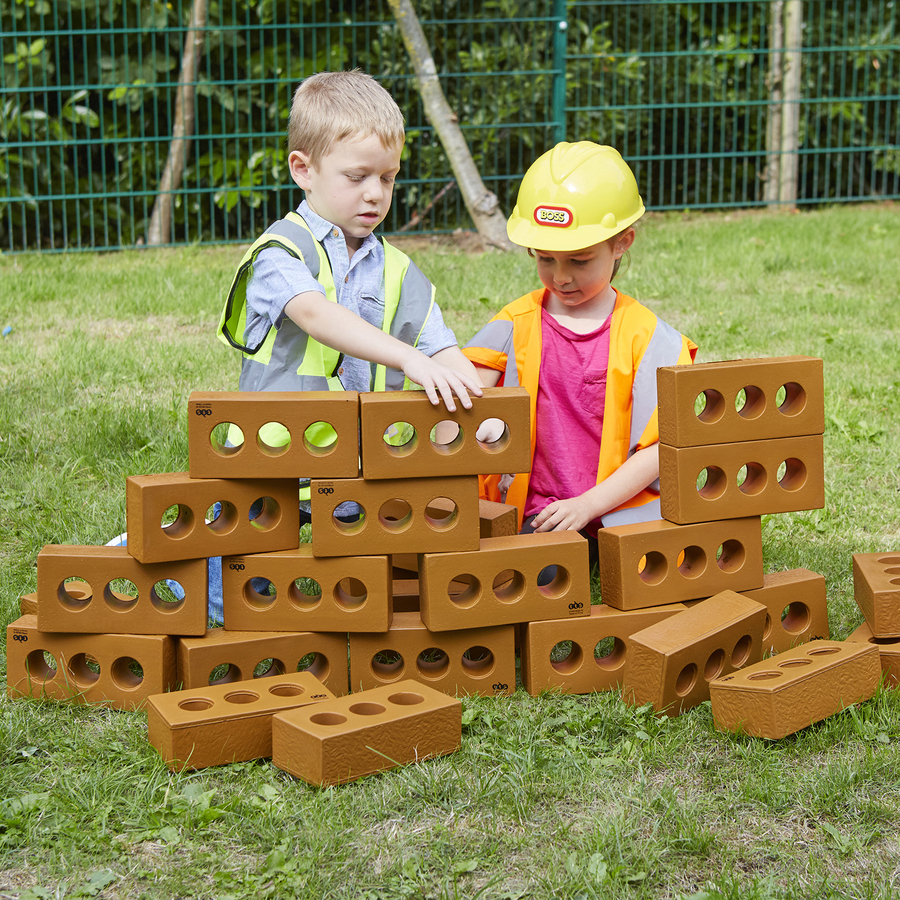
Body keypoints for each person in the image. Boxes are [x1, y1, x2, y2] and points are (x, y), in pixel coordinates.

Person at [208, 70, 483, 622]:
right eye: (357, 176)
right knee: (230, 599)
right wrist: (406, 358)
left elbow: (442, 348)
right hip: (271, 462)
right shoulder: (281, 254)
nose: (375, 193)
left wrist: (475, 400)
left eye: (388, 177)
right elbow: (315, 314)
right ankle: (151, 553)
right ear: (303, 170)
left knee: (341, 598)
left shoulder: (401, 272)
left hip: (357, 470)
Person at [464, 141, 697, 572]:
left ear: (622, 243)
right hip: (538, 512)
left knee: (656, 575)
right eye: (546, 259)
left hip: (621, 510)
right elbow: (463, 398)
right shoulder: (515, 322)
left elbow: (661, 448)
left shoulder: (651, 339)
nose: (562, 276)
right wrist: (481, 422)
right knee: (536, 577)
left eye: (580, 260)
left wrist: (589, 505)